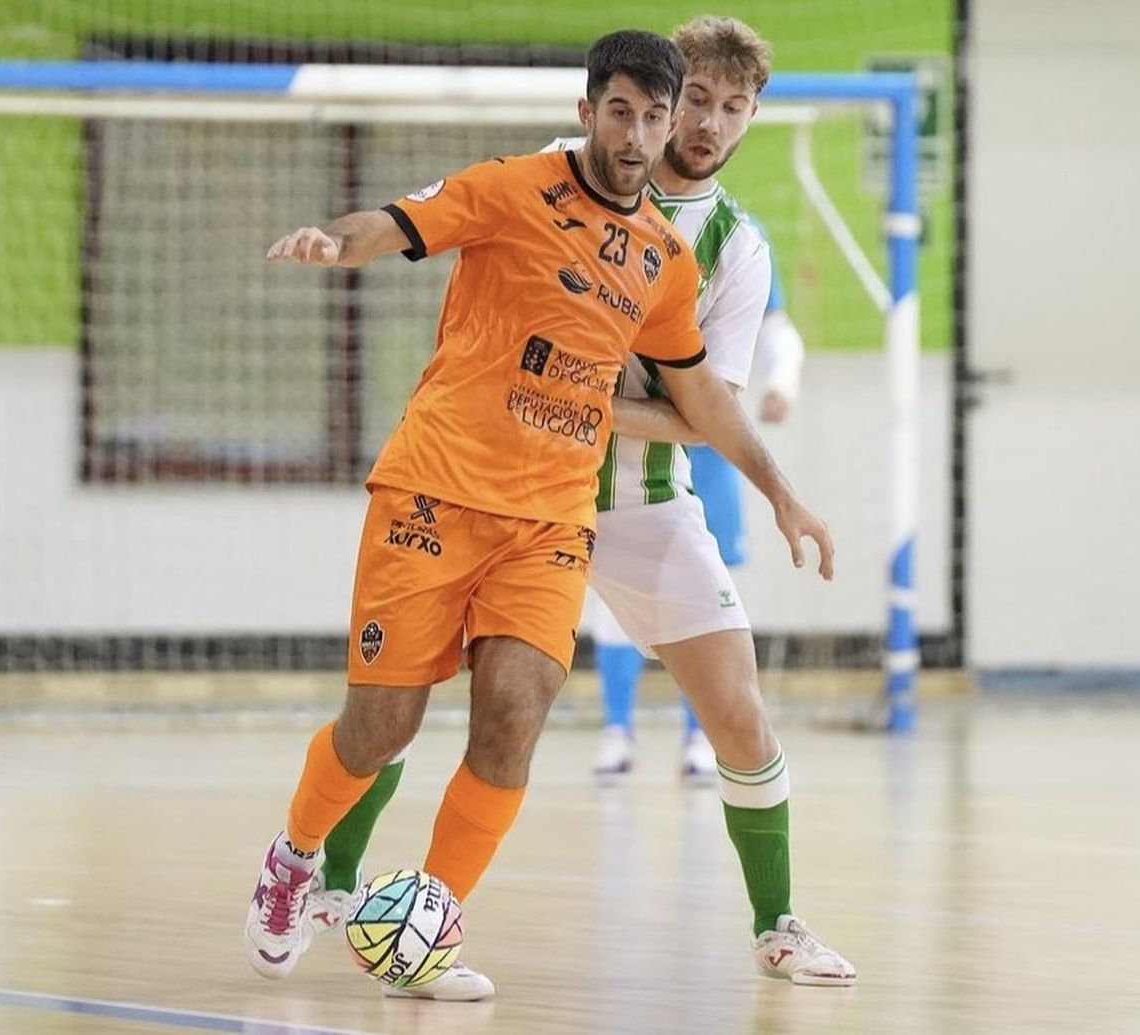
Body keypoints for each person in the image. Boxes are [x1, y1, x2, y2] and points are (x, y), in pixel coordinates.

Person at [249, 27, 835, 1002]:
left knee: (718, 709)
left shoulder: (720, 251)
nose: (699, 123)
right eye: (686, 102)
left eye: (728, 108)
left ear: (749, 120)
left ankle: (772, 922)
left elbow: (704, 405)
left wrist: (773, 488)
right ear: (622, 106)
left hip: (624, 503)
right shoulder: (536, 183)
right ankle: (318, 874)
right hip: (478, 483)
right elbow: (402, 222)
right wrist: (337, 242)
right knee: (388, 714)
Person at [587, 223, 806, 780]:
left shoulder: (740, 239)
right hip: (620, 443)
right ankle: (617, 729)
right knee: (610, 595)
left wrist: (782, 383)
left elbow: (779, 332)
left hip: (702, 447)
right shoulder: (612, 220)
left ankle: (699, 738)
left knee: (709, 595)